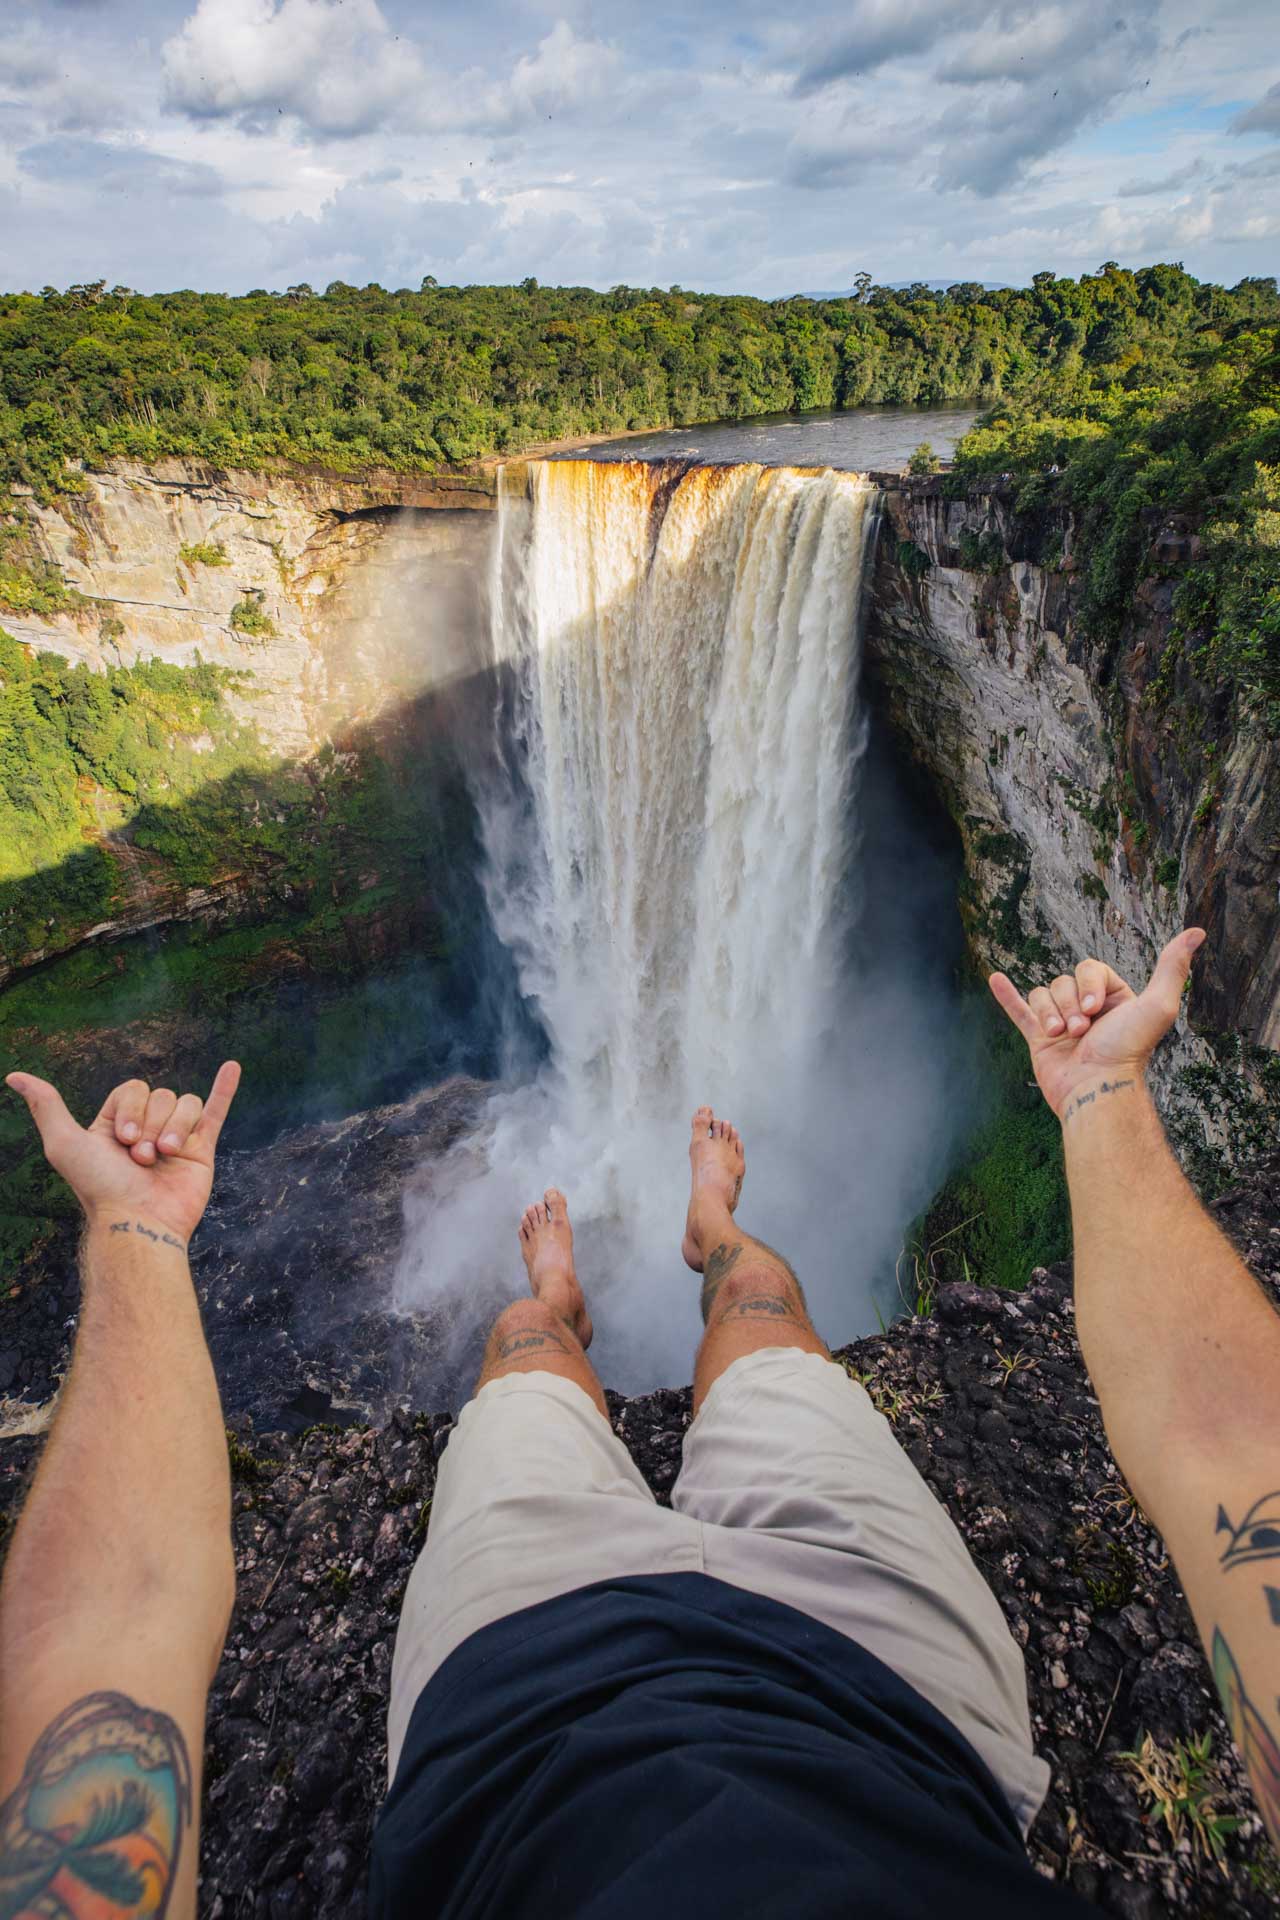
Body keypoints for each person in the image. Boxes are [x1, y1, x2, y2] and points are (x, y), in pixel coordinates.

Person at [0, 931, 1275, 1917]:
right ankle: (712, 1231)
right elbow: (1229, 1456)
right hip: (896, 1687)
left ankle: (559, 1300)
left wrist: (136, 1230)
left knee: (520, 1356)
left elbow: (117, 1629)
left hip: (513, 1686)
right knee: (767, 1311)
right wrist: (1101, 1097)